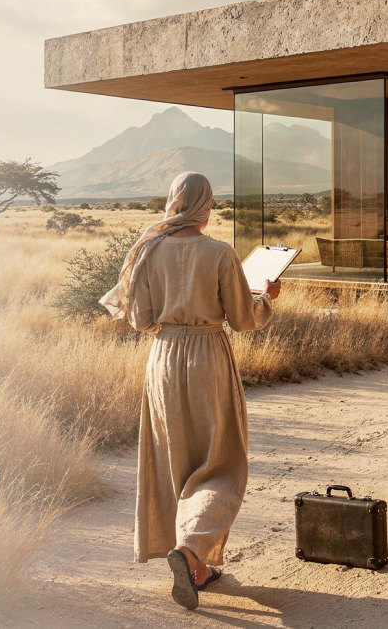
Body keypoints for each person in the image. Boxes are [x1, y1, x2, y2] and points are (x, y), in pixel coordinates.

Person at [100, 171, 280, 610]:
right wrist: (267, 297)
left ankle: (196, 568)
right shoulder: (219, 253)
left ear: (172, 201)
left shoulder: (147, 251)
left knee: (172, 459)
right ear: (205, 205)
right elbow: (242, 319)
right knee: (222, 462)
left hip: (162, 359)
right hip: (208, 358)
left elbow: (141, 320)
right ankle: (191, 549)